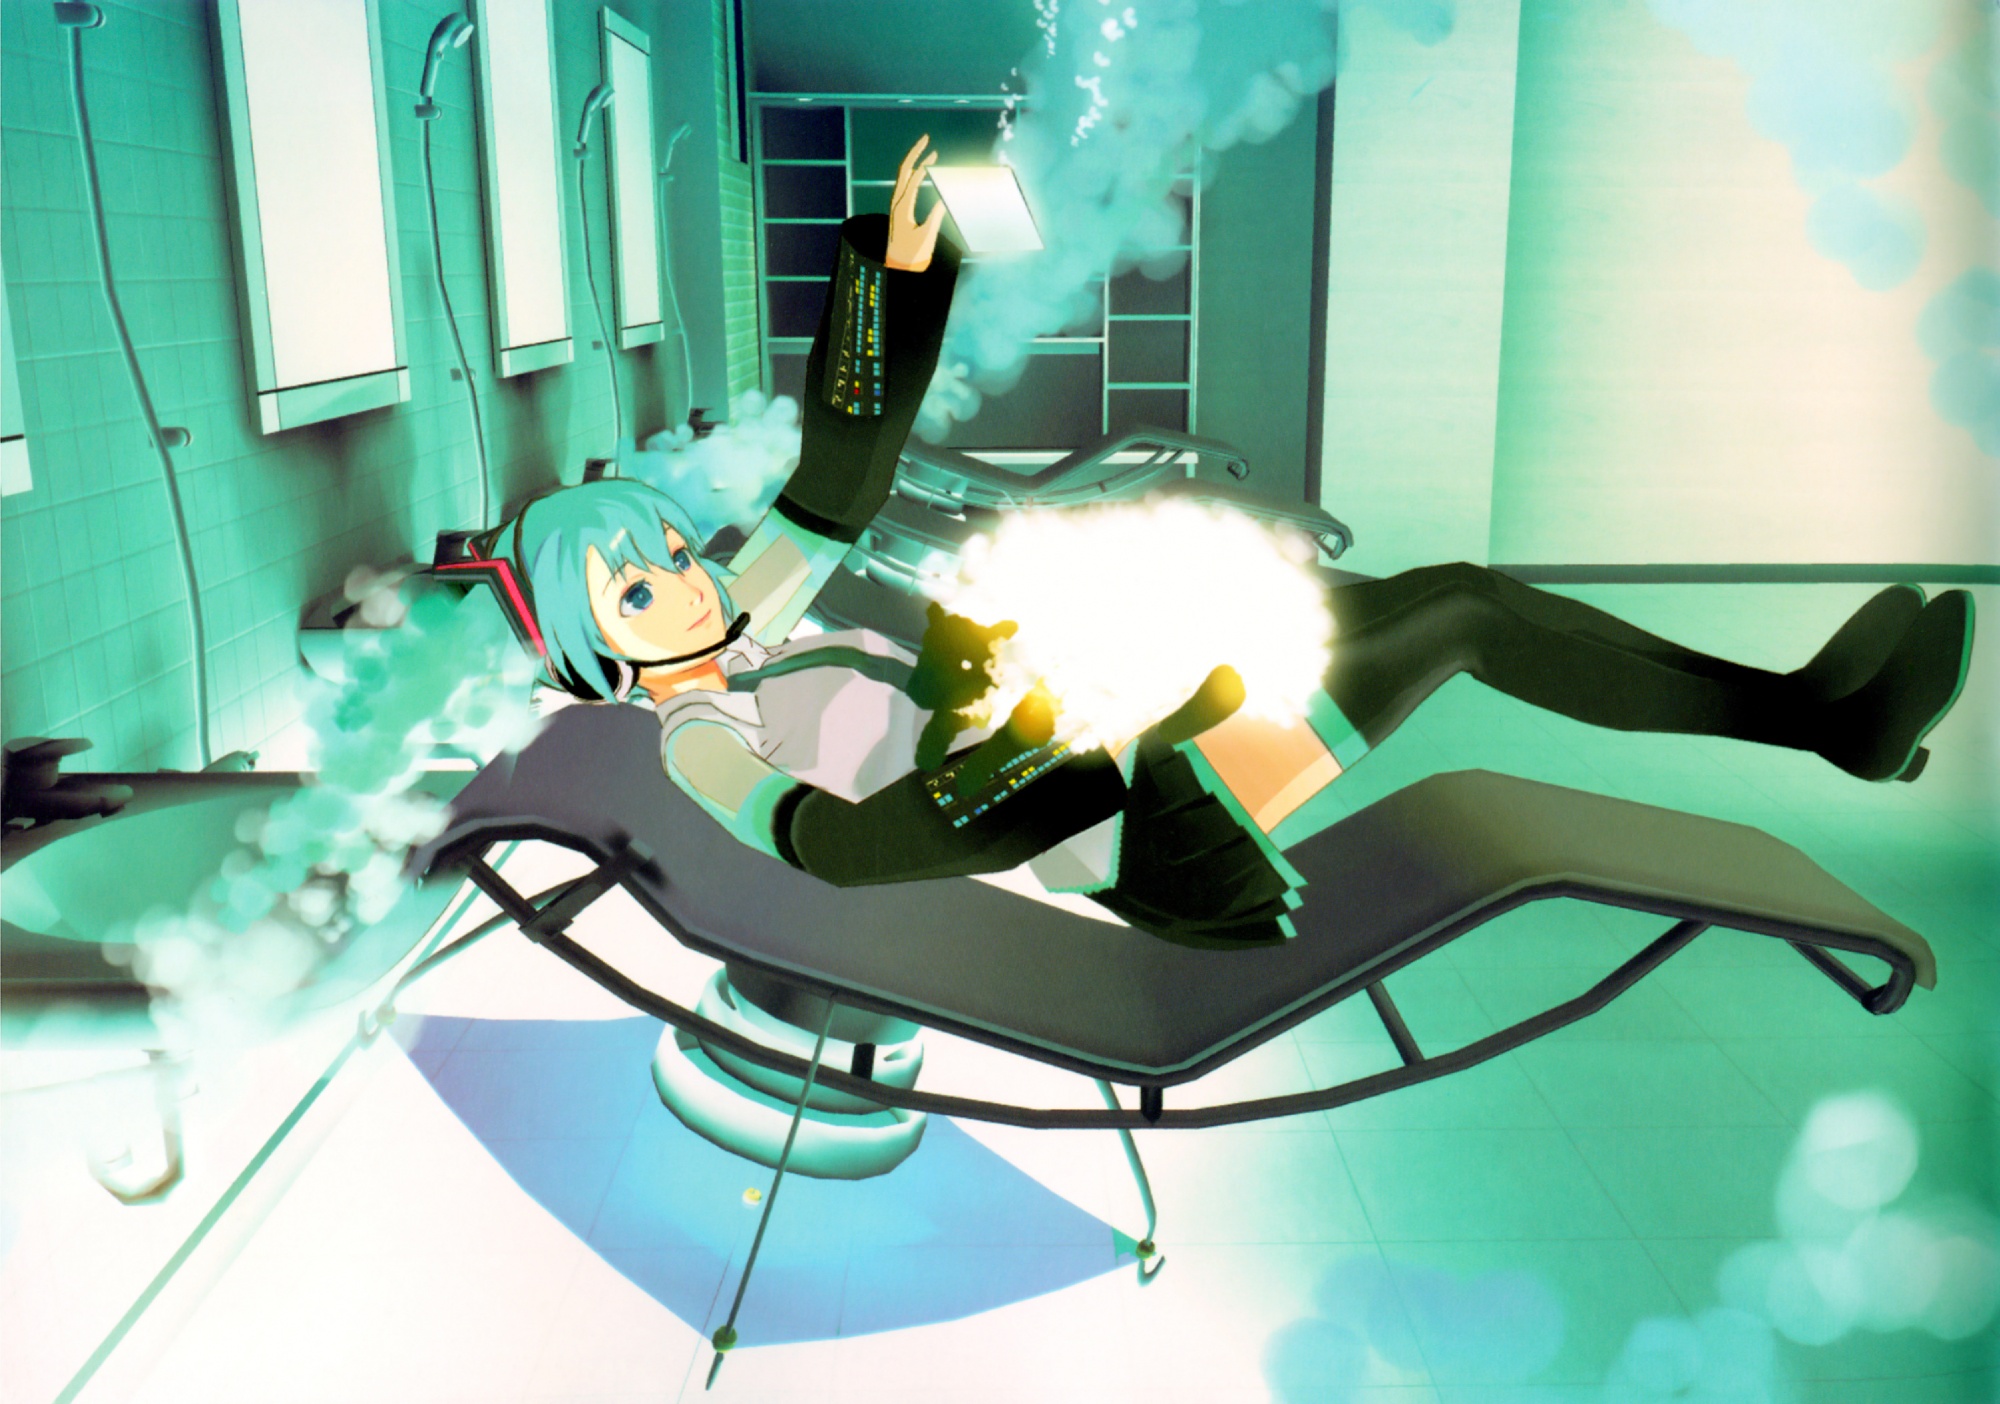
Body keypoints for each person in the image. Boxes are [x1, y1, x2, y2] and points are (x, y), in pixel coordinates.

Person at [495, 137, 1977, 946]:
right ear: (592, 651)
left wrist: (893, 263)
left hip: (1105, 744)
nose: (680, 578)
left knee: (1448, 591)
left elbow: (842, 467)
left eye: (665, 552)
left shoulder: (745, 615)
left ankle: (1818, 712)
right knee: (1461, 623)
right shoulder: (702, 743)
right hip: (1124, 832)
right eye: (633, 589)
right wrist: (1052, 741)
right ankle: (1824, 725)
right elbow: (840, 850)